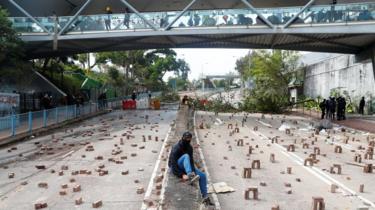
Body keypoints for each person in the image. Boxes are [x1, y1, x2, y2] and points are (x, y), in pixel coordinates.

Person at [168, 132, 213, 206]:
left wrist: (194, 171)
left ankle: (205, 197)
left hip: (186, 166)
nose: (187, 140)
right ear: (182, 138)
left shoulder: (189, 148)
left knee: (202, 175)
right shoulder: (176, 148)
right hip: (177, 166)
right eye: (186, 138)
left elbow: (191, 162)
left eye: (189, 139)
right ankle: (190, 174)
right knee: (186, 156)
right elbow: (172, 164)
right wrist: (182, 174)